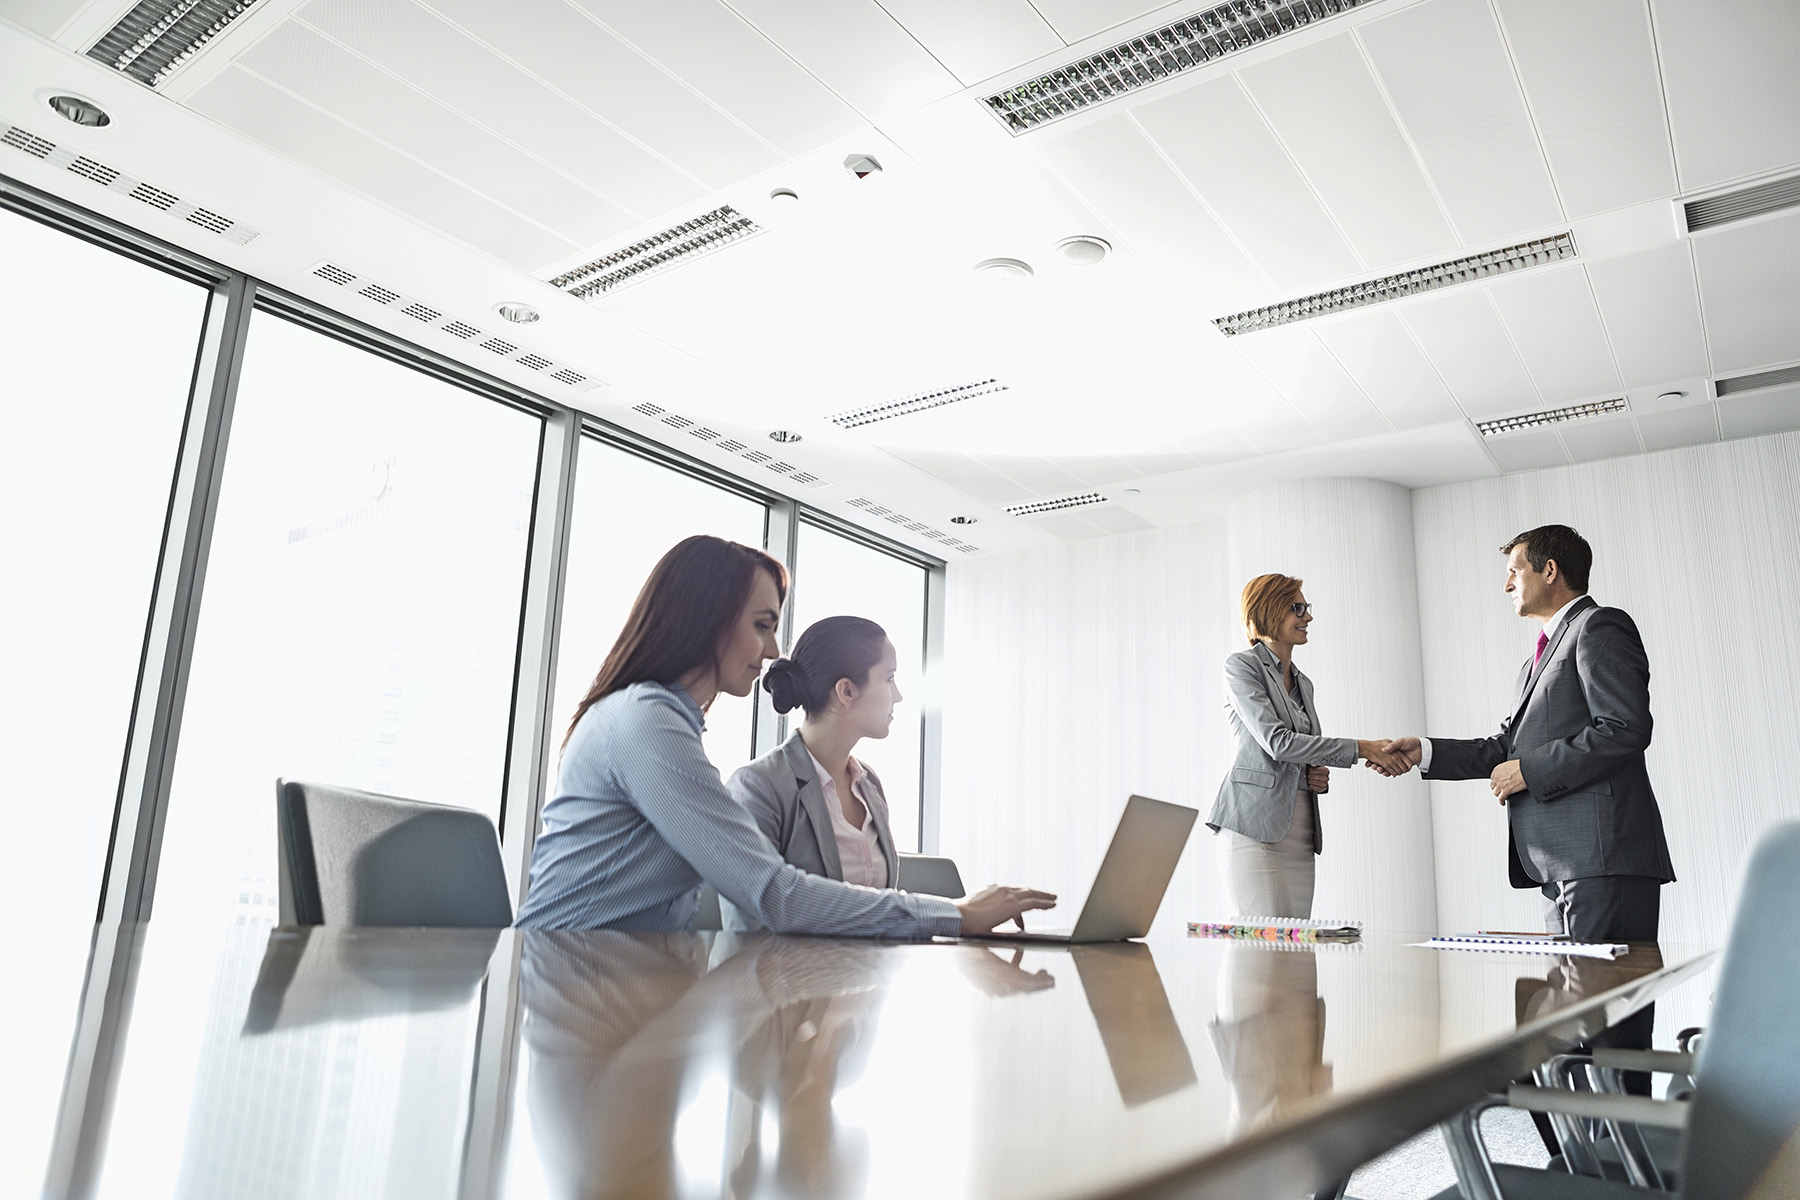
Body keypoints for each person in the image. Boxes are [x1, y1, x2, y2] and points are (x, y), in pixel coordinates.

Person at [514, 534, 1054, 937]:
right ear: (708, 620)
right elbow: (774, 894)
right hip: (574, 989)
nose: (773, 651)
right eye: (761, 625)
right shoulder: (646, 722)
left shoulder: (660, 721)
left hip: (627, 993)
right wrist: (954, 913)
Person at [1372, 525, 1675, 942]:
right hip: (1562, 865)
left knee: (1603, 1005)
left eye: (1515, 571)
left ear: (1550, 571)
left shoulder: (1599, 626)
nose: (1506, 584)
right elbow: (1507, 747)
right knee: (1573, 1004)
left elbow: (1623, 729)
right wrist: (1423, 752)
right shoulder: (1538, 657)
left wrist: (1528, 772)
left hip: (1599, 859)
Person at [1208, 574, 1410, 918]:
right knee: (1263, 953)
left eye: (1306, 608)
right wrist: (1361, 748)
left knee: (1297, 948)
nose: (1308, 617)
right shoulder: (1241, 666)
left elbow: (1301, 751)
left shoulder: (1304, 683)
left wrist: (1313, 776)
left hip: (1299, 828)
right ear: (1268, 610)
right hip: (1253, 826)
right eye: (1296, 608)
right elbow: (1277, 743)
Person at [723, 616, 903, 930]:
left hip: (872, 975)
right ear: (846, 691)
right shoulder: (757, 786)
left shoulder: (869, 783)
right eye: (889, 678)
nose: (898, 695)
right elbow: (751, 924)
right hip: (789, 977)